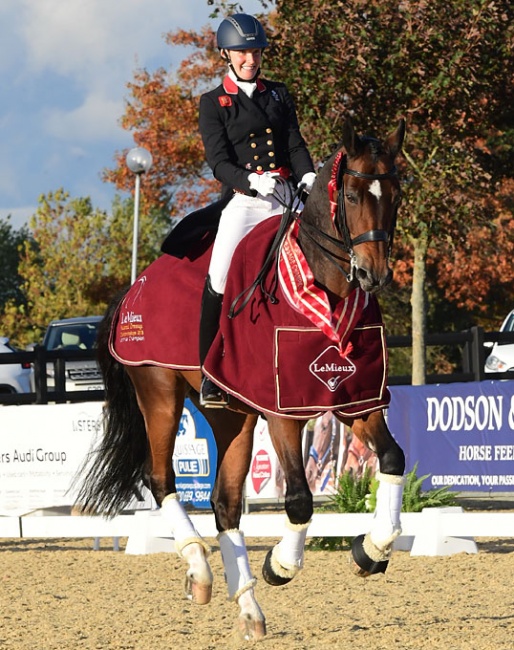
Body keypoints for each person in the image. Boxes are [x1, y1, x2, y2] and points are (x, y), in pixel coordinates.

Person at [198, 12, 316, 407]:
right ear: (226, 55)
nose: (250, 58)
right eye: (242, 52)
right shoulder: (213, 103)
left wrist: (308, 176)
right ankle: (209, 374)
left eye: (256, 51)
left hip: (285, 191)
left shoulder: (279, 93)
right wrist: (251, 181)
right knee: (218, 277)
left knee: (332, 244)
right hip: (247, 200)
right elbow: (218, 162)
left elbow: (294, 144)